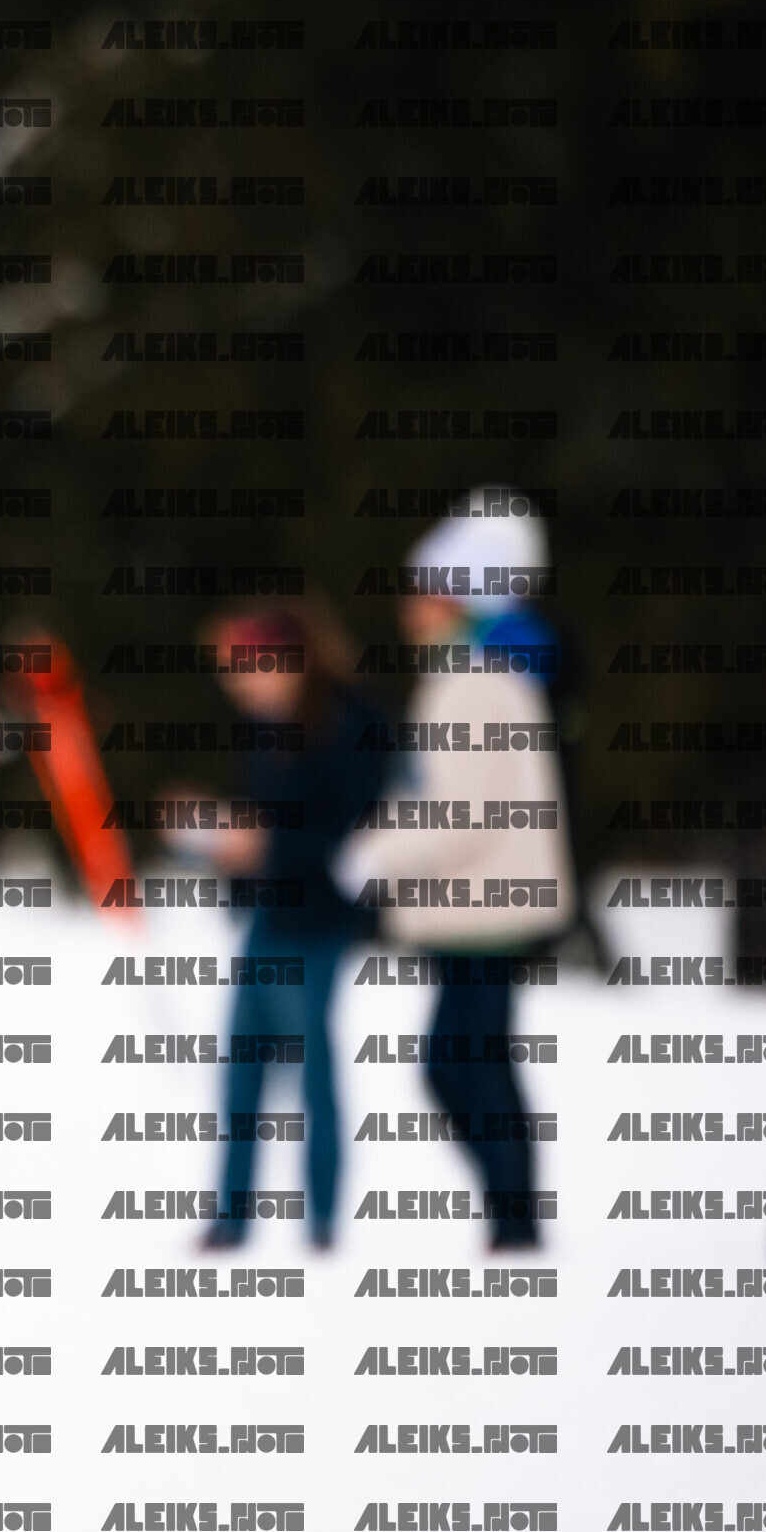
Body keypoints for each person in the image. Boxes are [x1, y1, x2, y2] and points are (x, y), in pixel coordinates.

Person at [332, 500, 574, 1251]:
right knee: (480, 1060)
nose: (409, 606)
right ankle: (514, 1219)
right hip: (483, 907)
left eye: (423, 590)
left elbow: (463, 812)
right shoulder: (477, 676)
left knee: (457, 1064)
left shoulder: (472, 682)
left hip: (485, 910)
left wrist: (374, 856)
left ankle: (515, 1222)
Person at [188, 602, 387, 1251]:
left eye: (245, 665)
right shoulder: (263, 727)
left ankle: (322, 1220)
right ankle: (230, 1218)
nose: (237, 682)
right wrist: (223, 841)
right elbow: (260, 824)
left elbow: (358, 834)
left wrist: (264, 844)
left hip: (321, 922)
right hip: (268, 916)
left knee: (311, 1066)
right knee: (241, 1067)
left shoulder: (351, 722)